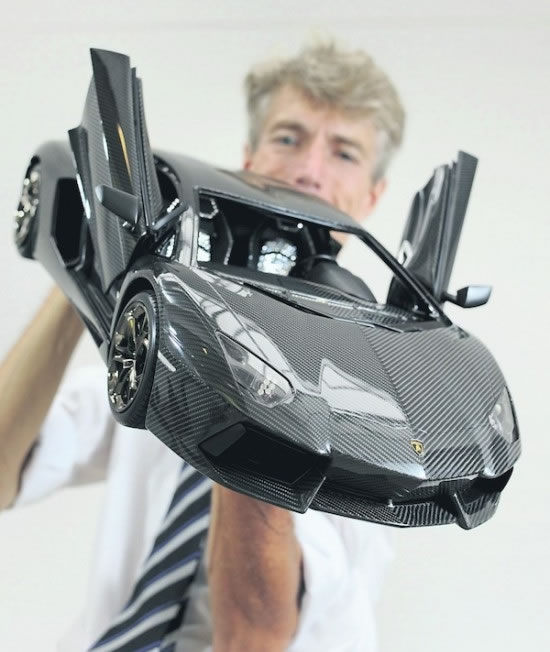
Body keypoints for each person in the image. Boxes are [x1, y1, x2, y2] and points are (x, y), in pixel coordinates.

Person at [0, 41, 405, 651]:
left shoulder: (378, 407)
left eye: (343, 151)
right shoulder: (168, 347)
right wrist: (97, 266)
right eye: (288, 137)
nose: (309, 169)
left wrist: (252, 382)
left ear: (371, 196)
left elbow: (252, 634)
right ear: (248, 159)